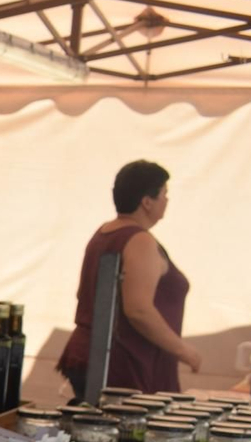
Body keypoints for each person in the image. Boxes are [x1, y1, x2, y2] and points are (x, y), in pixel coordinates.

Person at [57, 159, 198, 395]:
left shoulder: (104, 232)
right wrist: (184, 351)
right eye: (164, 193)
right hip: (125, 363)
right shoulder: (139, 240)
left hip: (98, 354)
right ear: (147, 202)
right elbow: (139, 310)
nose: (167, 200)